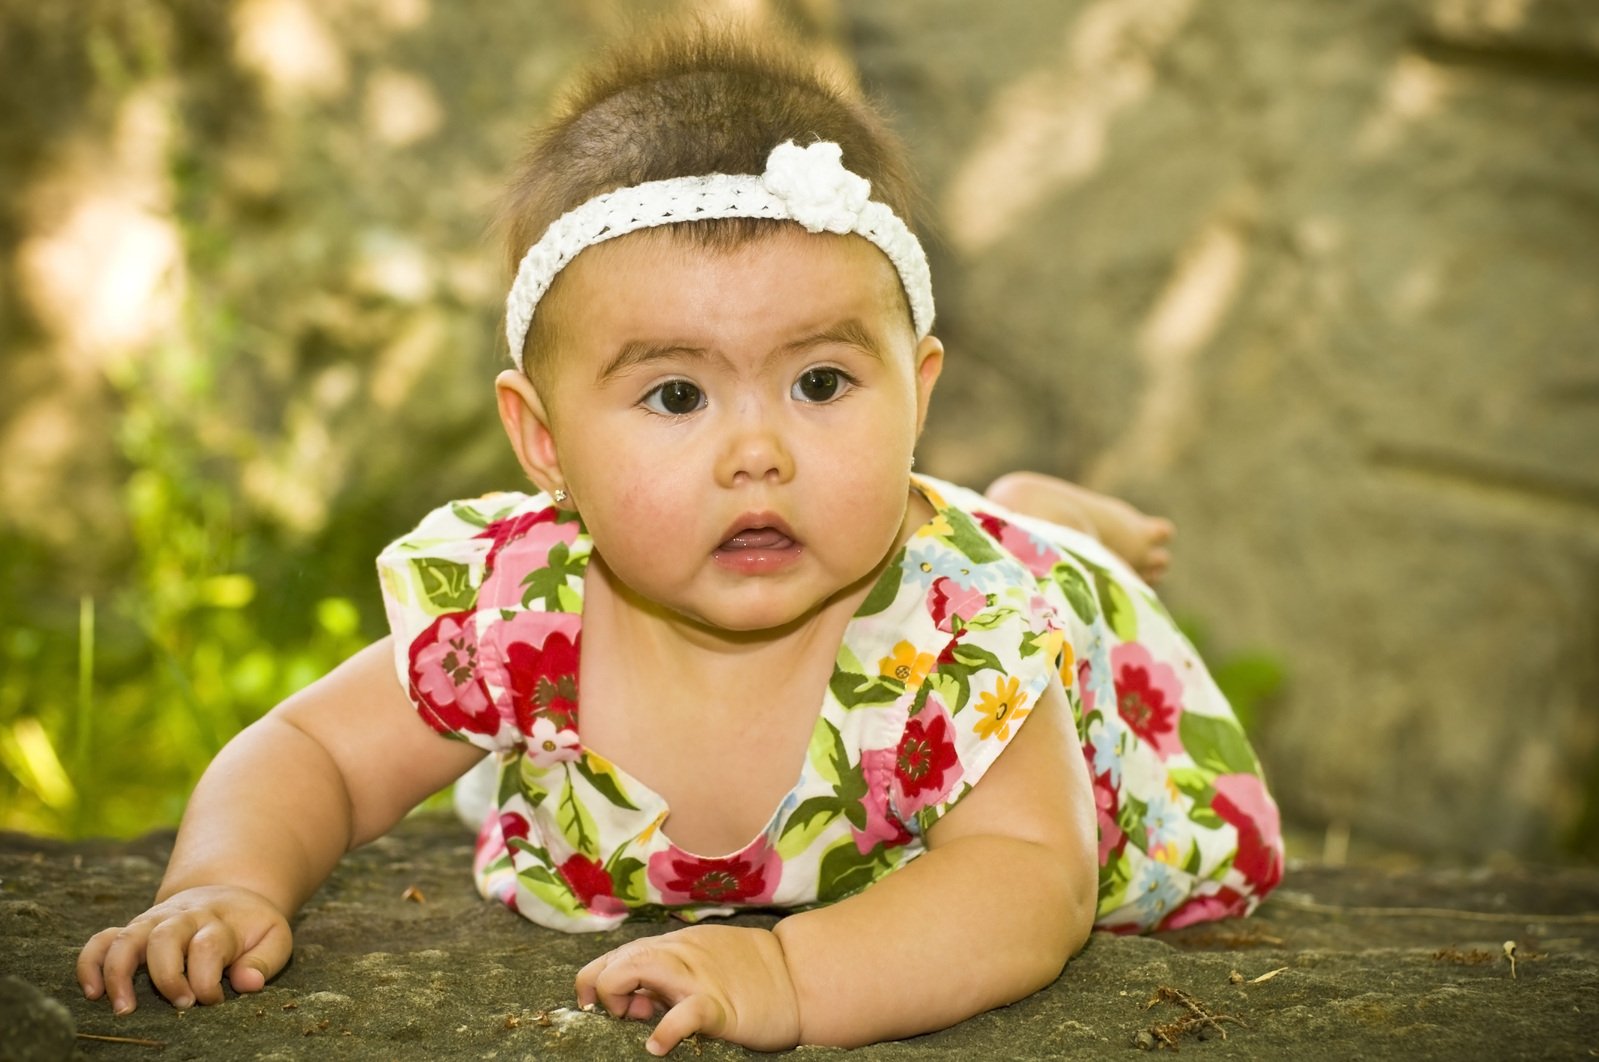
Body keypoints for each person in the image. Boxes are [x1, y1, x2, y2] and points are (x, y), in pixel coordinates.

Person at [77, 22, 1282, 1055]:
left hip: (1054, 627)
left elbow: (1030, 882)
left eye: (820, 383)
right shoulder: (517, 614)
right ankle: (1024, 495)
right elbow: (317, 755)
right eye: (675, 397)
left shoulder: (966, 644)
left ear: (916, 393)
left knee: (1037, 559)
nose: (756, 451)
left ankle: (1050, 522)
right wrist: (224, 883)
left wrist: (790, 976)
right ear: (542, 442)